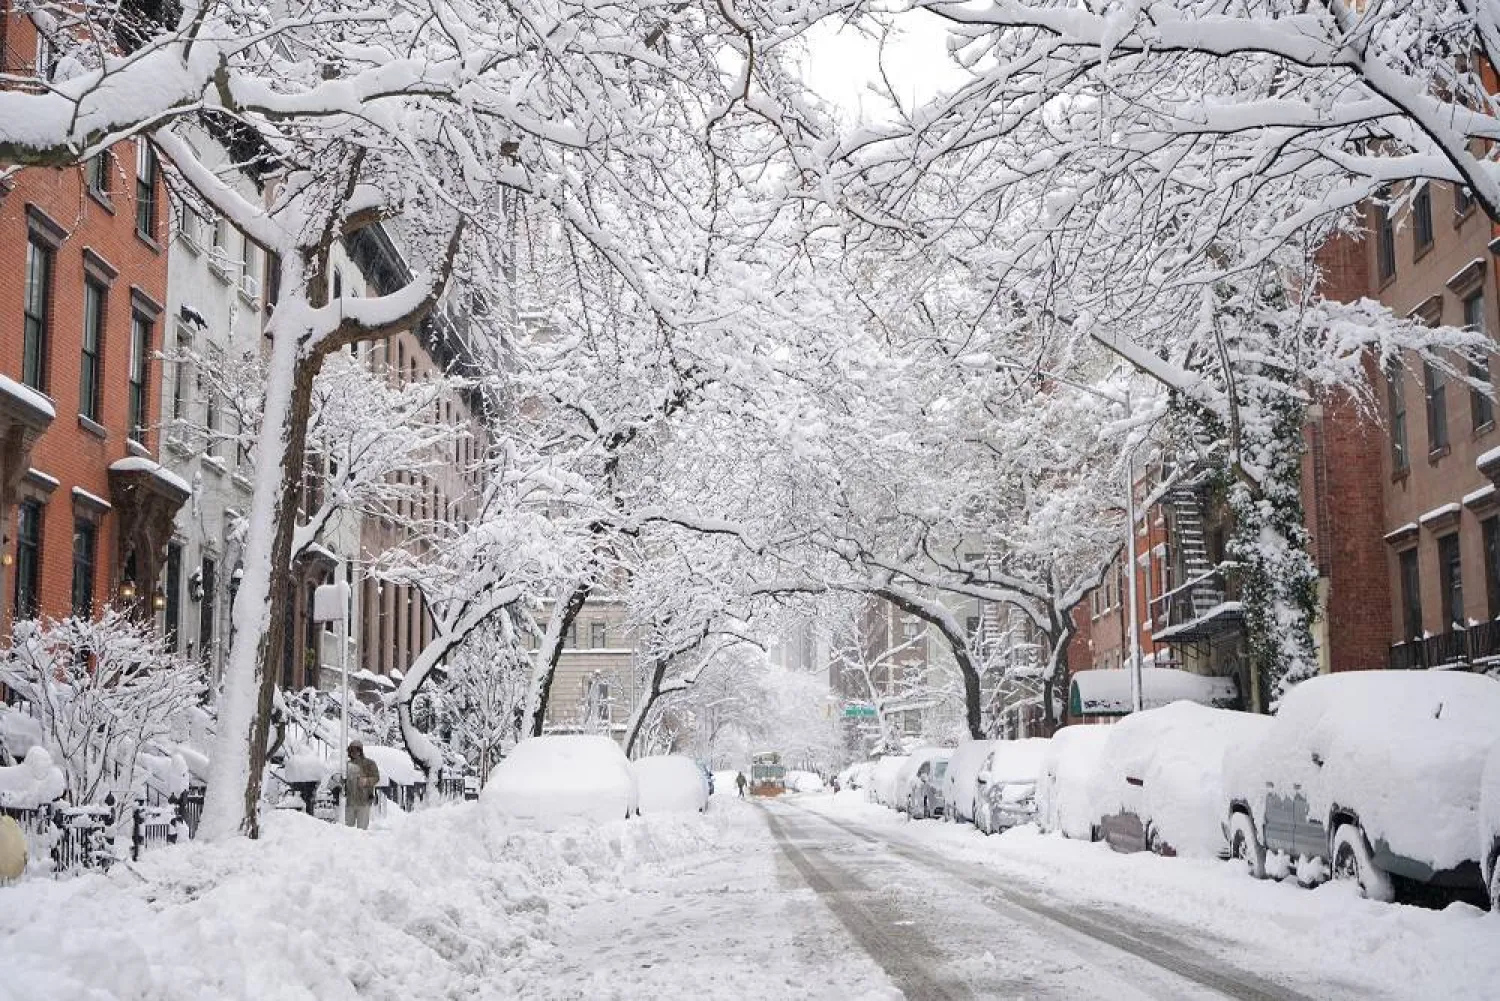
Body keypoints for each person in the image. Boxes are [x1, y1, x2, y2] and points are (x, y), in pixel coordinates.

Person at [344, 740, 381, 829]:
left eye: (357, 750)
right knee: (346, 830)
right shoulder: (346, 765)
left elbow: (376, 778)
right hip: (349, 802)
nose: (354, 753)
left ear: (361, 751)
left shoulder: (369, 763)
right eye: (351, 750)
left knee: (362, 830)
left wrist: (366, 781)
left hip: (364, 801)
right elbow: (342, 779)